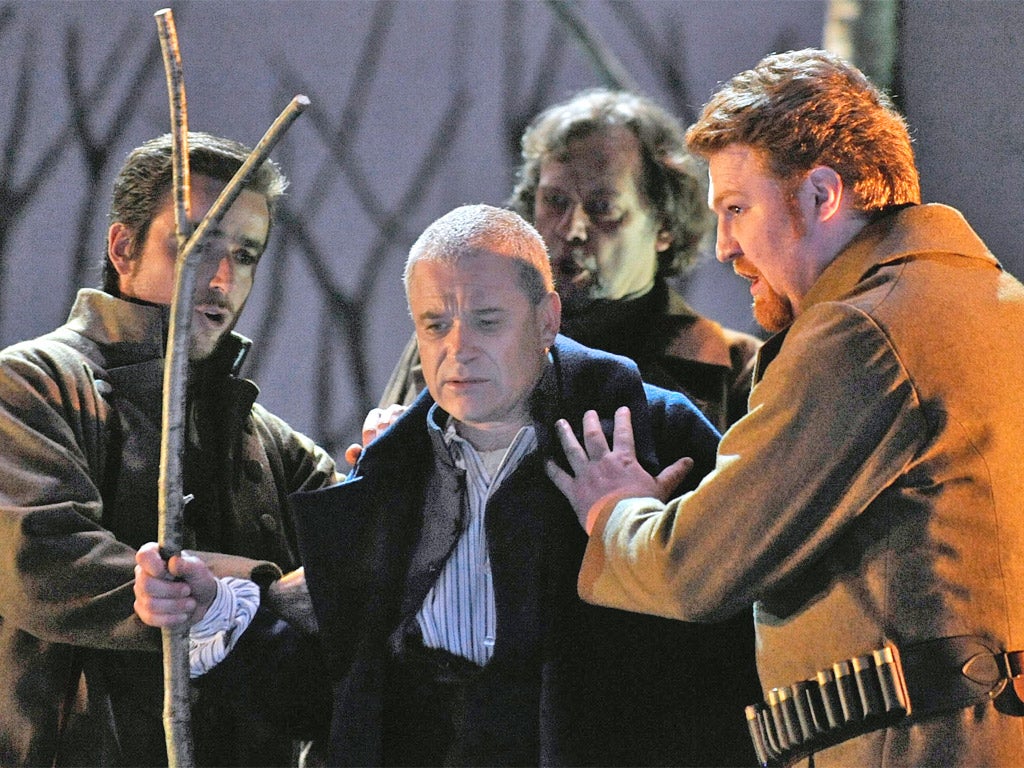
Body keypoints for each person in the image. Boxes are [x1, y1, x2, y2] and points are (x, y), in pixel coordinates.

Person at [136, 204, 761, 766]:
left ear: (547, 320)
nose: (458, 349)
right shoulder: (392, 467)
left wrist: (638, 532)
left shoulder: (651, 432)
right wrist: (216, 612)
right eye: (434, 325)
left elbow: (734, 649)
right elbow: (345, 702)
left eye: (487, 320)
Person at [547, 49, 1024, 767]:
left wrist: (615, 514)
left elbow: (697, 568)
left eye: (739, 210)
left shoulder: (864, 333)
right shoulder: (995, 306)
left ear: (822, 194)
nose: (727, 248)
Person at [0, 132, 339, 767]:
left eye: (244, 255)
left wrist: (407, 448)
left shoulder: (266, 439)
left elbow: (356, 563)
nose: (221, 278)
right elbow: (44, 560)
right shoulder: (32, 384)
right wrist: (256, 593)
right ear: (123, 247)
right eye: (198, 243)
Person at [380, 89, 760, 433]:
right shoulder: (457, 337)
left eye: (601, 208)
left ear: (664, 225)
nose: (573, 229)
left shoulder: (737, 370)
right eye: (555, 202)